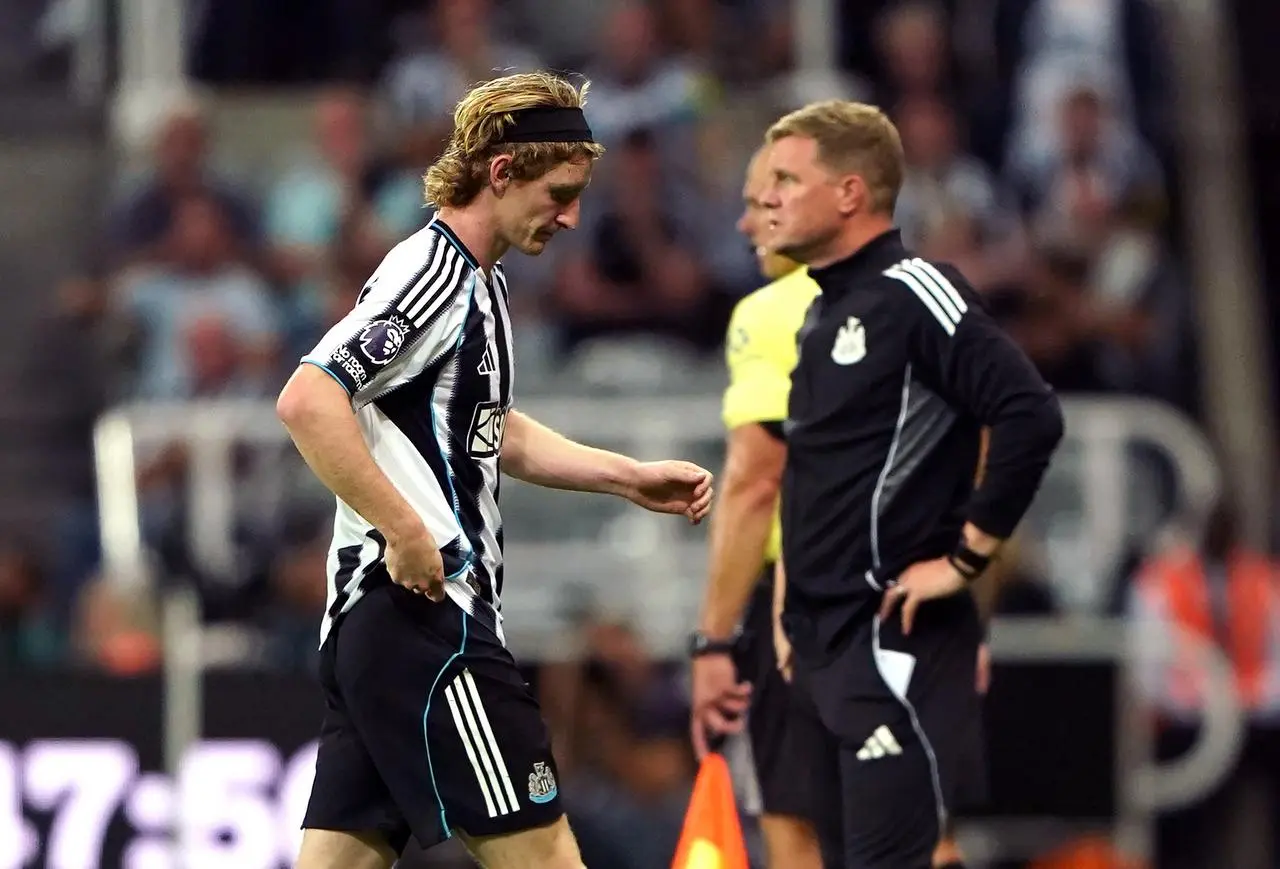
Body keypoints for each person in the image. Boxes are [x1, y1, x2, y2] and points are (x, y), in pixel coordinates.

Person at [276, 72, 716, 869]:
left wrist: (626, 475)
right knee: (548, 856)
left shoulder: (482, 283)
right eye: (560, 190)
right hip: (428, 623)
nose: (573, 215)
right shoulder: (435, 275)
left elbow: (487, 430)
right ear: (503, 171)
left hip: (375, 629)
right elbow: (309, 399)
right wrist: (404, 528)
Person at [757, 100, 1064, 869]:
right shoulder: (819, 318)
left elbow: (1028, 410)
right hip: (823, 645)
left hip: (893, 635)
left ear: (851, 193)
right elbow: (817, 474)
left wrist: (966, 559)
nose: (769, 198)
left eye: (790, 180)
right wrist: (790, 603)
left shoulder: (915, 288)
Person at [691, 144, 991, 869]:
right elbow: (980, 444)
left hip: (809, 599)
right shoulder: (922, 297)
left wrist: (713, 639)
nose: (743, 225)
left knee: (799, 825)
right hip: (911, 594)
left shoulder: (771, 314)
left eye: (763, 204)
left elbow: (759, 479)